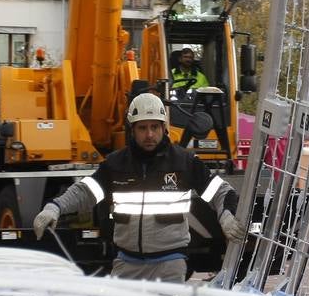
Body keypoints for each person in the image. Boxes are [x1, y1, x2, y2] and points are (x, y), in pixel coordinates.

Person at [32, 92, 247, 282]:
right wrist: (55, 207)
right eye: (142, 128)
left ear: (164, 128)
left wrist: (226, 215)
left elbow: (221, 192)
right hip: (127, 264)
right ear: (132, 130)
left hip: (170, 266)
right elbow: (86, 191)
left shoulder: (184, 162)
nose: (149, 134)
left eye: (154, 127)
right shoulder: (116, 164)